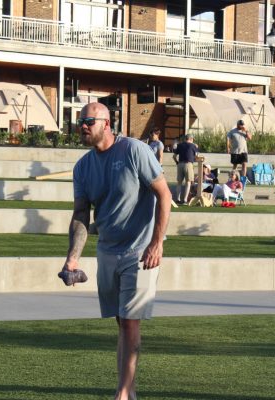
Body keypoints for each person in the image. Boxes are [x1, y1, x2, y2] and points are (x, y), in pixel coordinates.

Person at [59, 102, 171, 400]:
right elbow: (81, 214)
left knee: (130, 319)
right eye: (80, 120)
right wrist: (72, 258)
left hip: (140, 251)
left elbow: (165, 195)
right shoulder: (83, 166)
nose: (82, 126)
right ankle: (128, 391)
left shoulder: (134, 151)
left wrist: (157, 242)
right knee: (121, 322)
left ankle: (122, 393)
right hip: (107, 250)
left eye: (89, 121)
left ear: (106, 123)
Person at [172, 133, 198, 204]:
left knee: (179, 182)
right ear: (191, 139)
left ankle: (177, 199)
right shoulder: (193, 146)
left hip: (180, 164)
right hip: (188, 164)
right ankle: (185, 200)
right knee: (188, 182)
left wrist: (177, 162)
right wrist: (196, 148)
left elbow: (174, 156)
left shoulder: (179, 145)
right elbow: (196, 156)